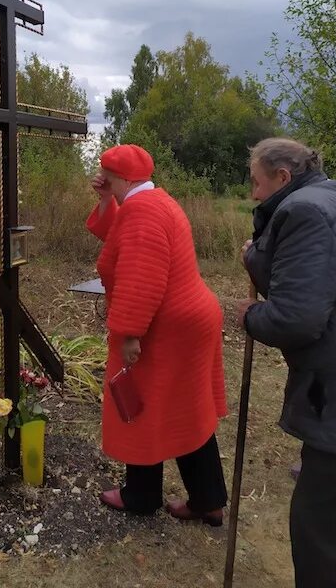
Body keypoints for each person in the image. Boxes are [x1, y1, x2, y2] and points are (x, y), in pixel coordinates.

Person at [237, 137, 336, 588]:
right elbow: (308, 279)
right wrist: (254, 255)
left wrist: (247, 315)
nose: (254, 195)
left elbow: (294, 318)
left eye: (257, 184)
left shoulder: (306, 213)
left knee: (322, 534)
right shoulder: (332, 202)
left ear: (283, 177)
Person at [86, 143, 228, 523]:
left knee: (139, 406)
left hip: (166, 328)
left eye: (107, 177)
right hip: (189, 321)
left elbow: (140, 274)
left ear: (122, 177)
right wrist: (106, 199)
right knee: (187, 411)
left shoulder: (142, 212)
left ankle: (141, 495)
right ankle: (207, 500)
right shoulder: (155, 201)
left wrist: (130, 332)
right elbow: (119, 237)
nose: (103, 181)